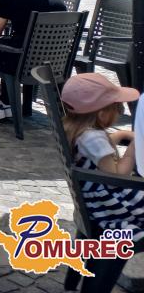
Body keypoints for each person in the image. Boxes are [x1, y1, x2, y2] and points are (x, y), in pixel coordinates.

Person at [61, 73, 144, 241]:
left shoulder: (75, 129)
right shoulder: (93, 138)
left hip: (92, 199)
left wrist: (121, 134)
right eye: (117, 109)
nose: (119, 114)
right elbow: (117, 177)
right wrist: (135, 146)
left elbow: (96, 150)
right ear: (101, 113)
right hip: (108, 205)